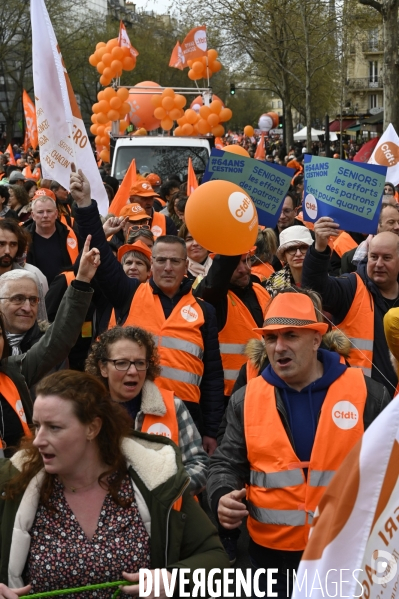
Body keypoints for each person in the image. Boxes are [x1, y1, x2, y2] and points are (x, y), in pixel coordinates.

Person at [207, 289, 390, 597]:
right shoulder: (247, 398)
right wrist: (221, 495)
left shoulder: (368, 394)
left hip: (345, 553)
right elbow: (226, 462)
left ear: (316, 339)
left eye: (291, 336)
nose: (279, 347)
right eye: (271, 338)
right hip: (271, 558)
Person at [0, 370, 228, 597]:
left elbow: (216, 559)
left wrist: (174, 580)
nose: (38, 440)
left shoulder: (154, 480)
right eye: (37, 426)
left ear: (92, 428)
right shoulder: (14, 485)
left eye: (54, 428)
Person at [69, 167, 225, 455]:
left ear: (185, 265)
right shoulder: (129, 294)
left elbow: (213, 375)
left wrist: (212, 430)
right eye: (161, 260)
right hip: (132, 409)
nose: (167, 267)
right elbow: (101, 252)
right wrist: (85, 205)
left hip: (187, 418)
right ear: (151, 264)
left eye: (175, 262)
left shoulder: (204, 311)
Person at [0, 236, 98, 454]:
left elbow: (59, 339)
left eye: (33, 300)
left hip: (33, 461)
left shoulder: (16, 368)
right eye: (17, 299)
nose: (27, 307)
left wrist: (81, 281)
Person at [86, 326, 209, 495]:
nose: (133, 371)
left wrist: (167, 490)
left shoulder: (172, 406)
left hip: (166, 517)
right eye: (121, 363)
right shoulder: (86, 410)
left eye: (140, 363)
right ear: (103, 368)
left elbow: (199, 464)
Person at [302, 217, 399, 395]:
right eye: (373, 257)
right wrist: (319, 248)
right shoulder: (352, 287)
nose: (378, 264)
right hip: (357, 399)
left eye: (386, 258)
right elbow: (315, 288)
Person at [24, 192, 80, 285]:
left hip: (65, 291)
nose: (45, 215)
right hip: (33, 291)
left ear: (56, 213)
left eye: (49, 211)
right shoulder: (22, 238)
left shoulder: (72, 235)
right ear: (33, 215)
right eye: (40, 212)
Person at [341, 203, 399, 274]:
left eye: (398, 222)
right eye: (391, 222)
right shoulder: (349, 259)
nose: (397, 227)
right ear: (376, 225)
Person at [265, 226, 313, 293]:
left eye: (303, 247)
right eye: (292, 249)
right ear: (284, 255)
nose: (298, 254)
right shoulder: (273, 283)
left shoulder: (323, 279)